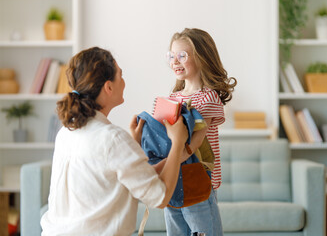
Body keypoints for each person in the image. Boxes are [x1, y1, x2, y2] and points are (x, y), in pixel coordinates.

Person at [40, 47, 188, 236]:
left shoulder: (66, 133)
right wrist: (177, 142)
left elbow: (117, 178)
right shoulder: (113, 139)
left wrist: (134, 145)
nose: (124, 82)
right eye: (121, 76)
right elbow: (160, 197)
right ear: (108, 87)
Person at [164, 28, 237, 235]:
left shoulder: (208, 98)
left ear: (202, 58)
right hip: (174, 181)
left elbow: (194, 144)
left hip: (198, 180)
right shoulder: (173, 97)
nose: (175, 62)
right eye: (172, 56)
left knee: (203, 230)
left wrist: (165, 165)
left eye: (182, 56)